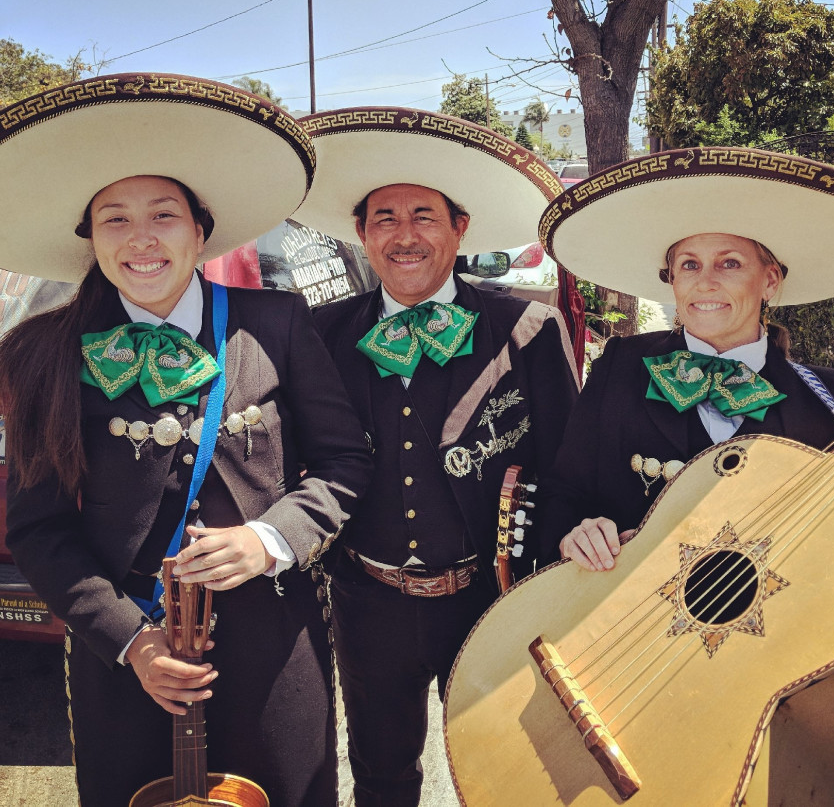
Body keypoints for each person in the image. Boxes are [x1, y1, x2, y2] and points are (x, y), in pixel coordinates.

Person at [0, 74, 372, 807]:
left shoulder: (278, 323)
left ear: (200, 231)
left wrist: (271, 538)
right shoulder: (40, 352)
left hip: (276, 647)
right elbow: (39, 531)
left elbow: (344, 463)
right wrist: (131, 643)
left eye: (163, 214)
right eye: (114, 219)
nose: (141, 238)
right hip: (126, 658)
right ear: (90, 240)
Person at [290, 107, 582, 806]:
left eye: (424, 214)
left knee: (508, 772)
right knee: (381, 776)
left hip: (491, 599)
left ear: (460, 228)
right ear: (360, 235)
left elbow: (570, 467)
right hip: (367, 601)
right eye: (384, 218)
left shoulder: (527, 329)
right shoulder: (322, 333)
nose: (404, 234)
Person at [536, 146, 834, 570]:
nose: (705, 283)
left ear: (770, 281)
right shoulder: (621, 366)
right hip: (630, 626)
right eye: (689, 265)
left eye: (730, 263)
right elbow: (562, 492)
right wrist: (576, 532)